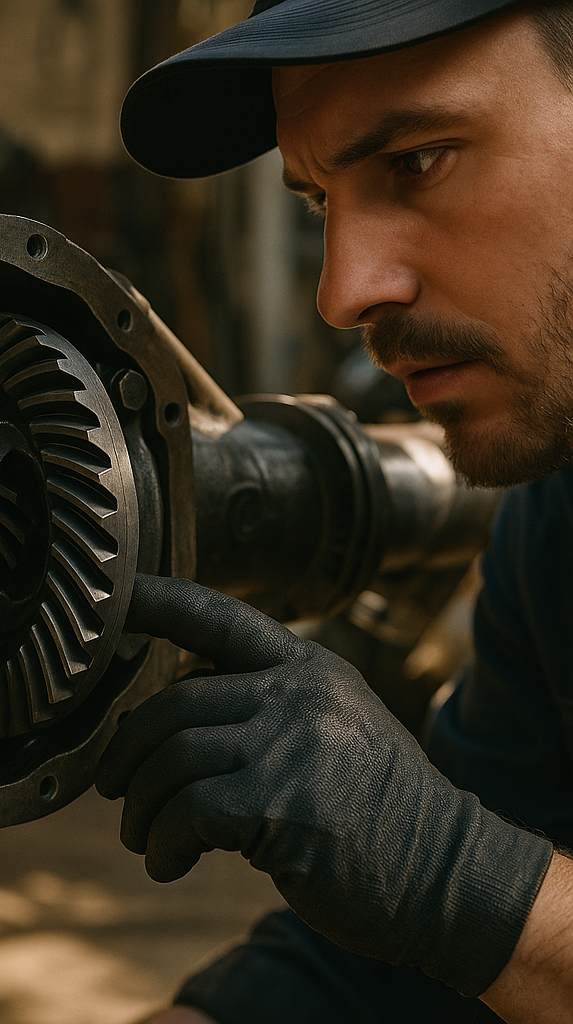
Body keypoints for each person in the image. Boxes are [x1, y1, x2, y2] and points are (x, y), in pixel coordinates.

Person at [95, 2, 573, 1022]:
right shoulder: (556, 513)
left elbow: (470, 905)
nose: (345, 290)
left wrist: (451, 873)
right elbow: (401, 961)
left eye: (416, 162)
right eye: (320, 201)